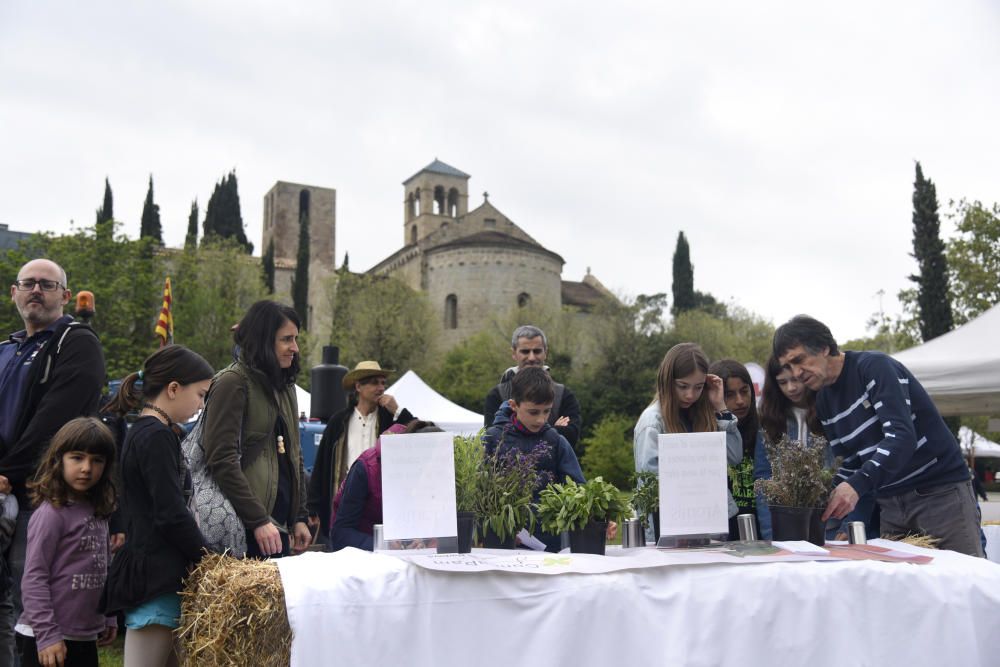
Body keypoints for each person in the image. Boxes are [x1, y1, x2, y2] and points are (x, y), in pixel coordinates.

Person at [774, 315, 984, 556]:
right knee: (901, 590)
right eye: (788, 367)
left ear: (823, 347)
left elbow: (902, 437)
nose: (796, 373)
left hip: (938, 494)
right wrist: (813, 495)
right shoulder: (823, 401)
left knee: (963, 583)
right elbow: (849, 464)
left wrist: (855, 485)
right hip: (890, 505)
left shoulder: (874, 367)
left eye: (799, 360)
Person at [0, 259, 105, 666]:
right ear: (14, 293)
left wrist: (10, 470)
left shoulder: (75, 341)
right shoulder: (8, 349)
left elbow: (58, 417)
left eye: (47, 284)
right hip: (5, 487)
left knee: (32, 597)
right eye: (28, 284)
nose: (36, 291)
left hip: (40, 495)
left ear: (65, 294)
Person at [100, 345, 213, 667]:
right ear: (174, 389)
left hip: (160, 574)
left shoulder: (149, 432)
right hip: (156, 577)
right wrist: (210, 558)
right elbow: (170, 512)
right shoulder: (156, 436)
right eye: (200, 395)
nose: (200, 405)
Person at [200, 301, 311, 558]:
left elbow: (295, 454)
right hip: (243, 530)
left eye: (295, 339)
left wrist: (299, 516)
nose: (295, 348)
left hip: (277, 528)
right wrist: (258, 520)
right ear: (263, 339)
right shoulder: (233, 382)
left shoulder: (286, 387)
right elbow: (221, 458)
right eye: (286, 339)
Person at [14, 418, 117, 667]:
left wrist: (109, 615)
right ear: (58, 459)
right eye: (77, 457)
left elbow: (104, 567)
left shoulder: (97, 510)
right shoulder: (51, 514)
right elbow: (34, 577)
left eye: (97, 461)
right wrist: (48, 635)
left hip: (84, 635)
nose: (86, 468)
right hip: (47, 638)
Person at [756, 355, 879, 541]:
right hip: (785, 528)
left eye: (796, 379)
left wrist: (851, 525)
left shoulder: (833, 412)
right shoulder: (769, 421)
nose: (791, 387)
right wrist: (770, 533)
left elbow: (860, 467)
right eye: (783, 382)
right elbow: (764, 480)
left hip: (834, 525)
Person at [634, 343, 742, 538]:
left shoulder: (707, 412)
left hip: (714, 526)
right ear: (667, 381)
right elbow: (648, 488)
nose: (690, 395)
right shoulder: (652, 423)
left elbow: (734, 457)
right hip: (672, 530)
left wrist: (721, 407)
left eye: (698, 387)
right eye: (682, 386)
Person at [482, 366, 586, 552]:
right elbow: (478, 494)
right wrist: (490, 531)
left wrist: (598, 516)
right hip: (502, 544)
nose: (541, 419)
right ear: (513, 405)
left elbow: (578, 489)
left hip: (549, 544)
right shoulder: (492, 439)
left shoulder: (556, 441)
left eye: (546, 411)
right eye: (533, 412)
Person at [309, 361, 414, 542]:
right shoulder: (339, 420)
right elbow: (321, 466)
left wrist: (398, 410)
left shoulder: (389, 418)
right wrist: (312, 507)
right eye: (374, 382)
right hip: (344, 503)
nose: (381, 388)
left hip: (379, 505)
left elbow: (420, 434)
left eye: (383, 383)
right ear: (358, 386)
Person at [328, 420, 440, 551]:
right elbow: (340, 534)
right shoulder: (365, 468)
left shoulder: (431, 477)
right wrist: (383, 544)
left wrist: (422, 542)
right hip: (363, 558)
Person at [483, 325, 582, 451]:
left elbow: (571, 439)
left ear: (545, 352)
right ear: (514, 353)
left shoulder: (564, 395)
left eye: (537, 351)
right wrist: (553, 430)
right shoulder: (497, 395)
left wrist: (517, 432)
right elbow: (494, 442)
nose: (531, 357)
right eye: (525, 351)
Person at [708, 360, 762, 540]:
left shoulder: (765, 430)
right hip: (722, 535)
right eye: (729, 395)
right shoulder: (707, 433)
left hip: (762, 533)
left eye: (744, 391)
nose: (740, 401)